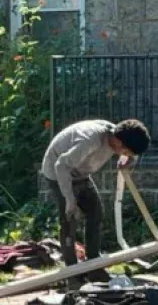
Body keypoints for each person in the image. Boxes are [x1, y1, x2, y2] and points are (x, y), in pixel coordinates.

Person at [40, 119, 151, 279]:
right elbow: (61, 165)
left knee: (95, 212)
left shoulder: (120, 135)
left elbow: (132, 149)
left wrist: (130, 159)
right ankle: (72, 273)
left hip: (81, 174)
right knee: (69, 218)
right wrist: (70, 199)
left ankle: (94, 265)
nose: (125, 155)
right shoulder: (89, 141)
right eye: (126, 153)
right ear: (119, 143)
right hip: (59, 173)